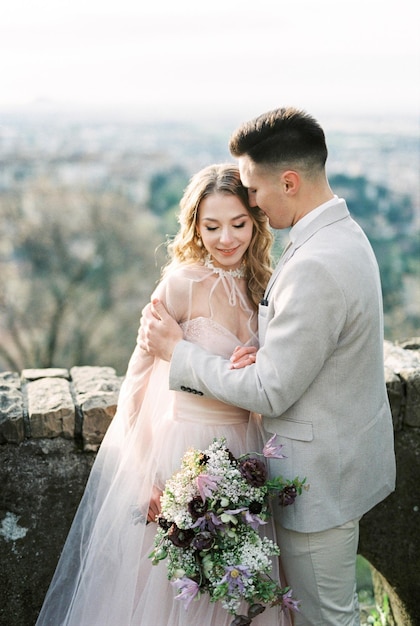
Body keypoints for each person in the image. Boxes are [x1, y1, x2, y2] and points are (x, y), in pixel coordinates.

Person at [139, 107, 396, 626]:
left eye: (254, 190)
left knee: (328, 619)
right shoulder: (340, 236)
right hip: (330, 464)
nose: (251, 201)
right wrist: (271, 351)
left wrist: (180, 353)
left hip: (320, 478)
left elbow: (273, 392)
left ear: (289, 181)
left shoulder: (317, 263)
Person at [35, 163, 293, 626]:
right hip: (182, 454)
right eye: (212, 226)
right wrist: (140, 473)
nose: (227, 238)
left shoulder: (266, 286)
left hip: (248, 452)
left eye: (238, 224)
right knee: (179, 596)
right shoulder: (180, 284)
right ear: (195, 225)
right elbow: (136, 382)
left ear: (256, 222)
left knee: (239, 592)